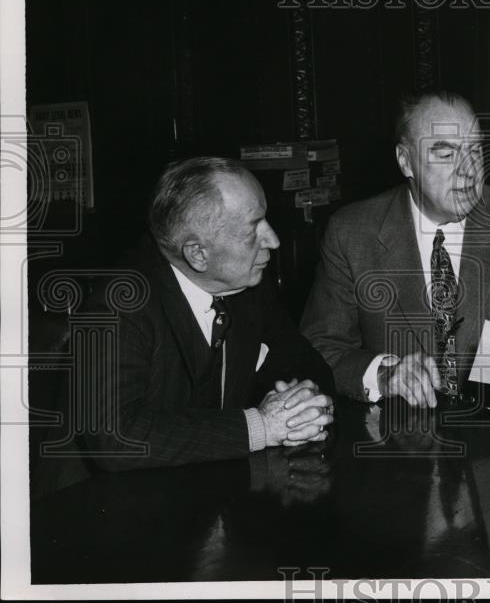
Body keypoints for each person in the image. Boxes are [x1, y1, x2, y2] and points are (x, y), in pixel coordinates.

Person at [300, 90, 490, 414]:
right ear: (405, 161)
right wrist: (385, 375)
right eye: (445, 154)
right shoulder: (353, 232)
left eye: (475, 150)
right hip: (398, 441)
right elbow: (319, 350)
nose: (469, 171)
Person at [84, 157, 335, 470]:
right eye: (252, 230)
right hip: (102, 504)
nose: (273, 240)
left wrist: (303, 402)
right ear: (198, 254)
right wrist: (260, 427)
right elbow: (115, 438)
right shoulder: (117, 305)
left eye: (265, 220)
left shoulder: (246, 284)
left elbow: (304, 362)